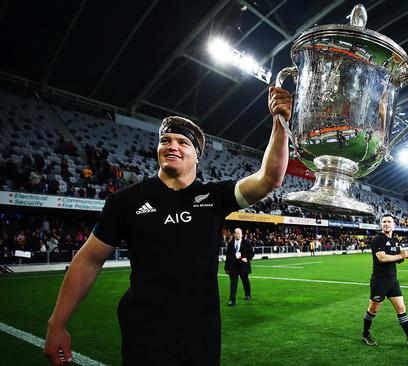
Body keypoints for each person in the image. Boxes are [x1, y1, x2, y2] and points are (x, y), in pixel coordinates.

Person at [43, 86, 292, 365]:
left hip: (202, 333)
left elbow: (270, 178)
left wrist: (279, 121)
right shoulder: (125, 201)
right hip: (145, 334)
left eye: (183, 142)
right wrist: (57, 324)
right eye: (165, 140)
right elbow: (88, 260)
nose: (172, 146)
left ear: (198, 155)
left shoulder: (215, 197)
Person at [361, 214, 408, 348]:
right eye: (384, 221)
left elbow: (398, 258)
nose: (386, 223)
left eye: (389, 221)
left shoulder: (395, 240)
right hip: (380, 281)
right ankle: (365, 334)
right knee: (373, 309)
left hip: (392, 281)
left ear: (394, 225)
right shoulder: (377, 239)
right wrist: (401, 255)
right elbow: (383, 258)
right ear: (381, 225)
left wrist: (406, 255)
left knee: (401, 308)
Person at [225, 228, 254, 306]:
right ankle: (232, 300)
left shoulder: (247, 243)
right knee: (233, 284)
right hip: (233, 267)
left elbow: (251, 254)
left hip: (243, 266)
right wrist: (226, 268)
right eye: (238, 233)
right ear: (234, 234)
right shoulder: (230, 244)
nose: (239, 235)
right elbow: (228, 257)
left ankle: (247, 295)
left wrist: (247, 258)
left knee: (245, 282)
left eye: (240, 233)